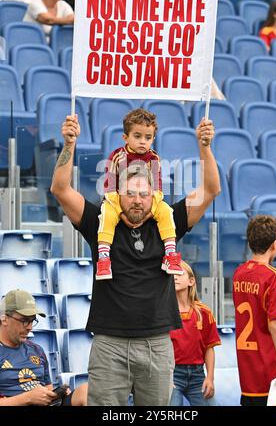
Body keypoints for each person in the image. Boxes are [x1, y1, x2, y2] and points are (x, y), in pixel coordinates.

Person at [50, 112, 220, 406]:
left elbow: (210, 190)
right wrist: (69, 144)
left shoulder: (168, 221)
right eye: (130, 193)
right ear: (118, 193)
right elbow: (60, 189)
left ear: (153, 194)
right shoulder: (100, 221)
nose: (137, 199)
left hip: (157, 344)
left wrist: (204, 146)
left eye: (143, 193)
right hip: (109, 345)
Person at [97, 109, 182, 281]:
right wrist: (120, 212)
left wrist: (151, 212)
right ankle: (104, 258)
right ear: (125, 137)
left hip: (146, 204)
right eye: (137, 136)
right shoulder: (117, 157)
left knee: (166, 210)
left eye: (148, 137)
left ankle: (170, 254)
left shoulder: (154, 159)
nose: (143, 142)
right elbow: (110, 190)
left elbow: (157, 191)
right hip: (117, 202)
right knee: (106, 214)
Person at [233, 215, 276, 407]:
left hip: (248, 370)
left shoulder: (239, 273)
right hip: (271, 369)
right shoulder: (273, 276)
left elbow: (255, 306)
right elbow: (275, 324)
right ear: (274, 244)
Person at [0, 289, 87, 406]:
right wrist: (28, 398)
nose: (30, 327)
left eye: (32, 321)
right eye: (24, 321)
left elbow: (47, 390)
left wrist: (56, 395)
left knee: (85, 391)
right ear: (4, 319)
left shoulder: (36, 350)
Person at [169, 260, 221, 406]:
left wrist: (210, 378)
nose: (174, 277)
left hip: (198, 375)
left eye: (179, 273)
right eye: (171, 274)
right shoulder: (163, 312)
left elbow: (209, 348)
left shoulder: (204, 312)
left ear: (191, 281)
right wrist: (164, 376)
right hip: (172, 374)